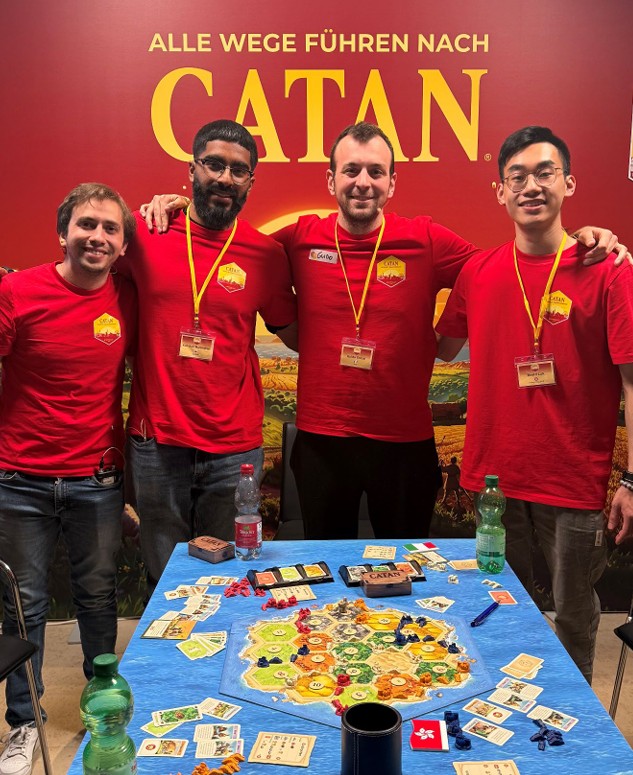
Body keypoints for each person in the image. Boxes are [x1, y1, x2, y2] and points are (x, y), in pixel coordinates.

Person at [144, 122, 627, 542]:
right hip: (321, 443)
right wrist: (181, 205)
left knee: (405, 570)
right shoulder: (299, 238)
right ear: (331, 179)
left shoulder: (425, 238)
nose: (363, 182)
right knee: (327, 570)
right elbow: (230, 246)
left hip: (404, 445)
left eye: (376, 172)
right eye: (351, 170)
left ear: (392, 183)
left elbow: (511, 262)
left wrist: (579, 239)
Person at [436, 126, 633, 682]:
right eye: (516, 176)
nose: (531, 186)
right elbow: (441, 347)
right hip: (494, 482)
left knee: (573, 617)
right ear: (499, 191)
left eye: (545, 173)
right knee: (499, 608)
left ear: (568, 183)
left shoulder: (609, 269)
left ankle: (571, 715)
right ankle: (504, 700)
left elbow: (631, 382)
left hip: (572, 480)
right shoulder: (477, 272)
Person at [119, 120, 296, 593]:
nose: (225, 178)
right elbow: (87, 277)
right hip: (158, 440)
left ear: (251, 181)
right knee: (164, 579)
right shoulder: (145, 232)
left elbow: (296, 332)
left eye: (238, 170)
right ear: (191, 169)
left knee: (229, 576)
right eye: (214, 164)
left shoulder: (266, 255)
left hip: (234, 447)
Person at [0, 183, 136, 775]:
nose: (96, 237)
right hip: (19, 478)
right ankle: (24, 724)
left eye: (110, 228)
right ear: (63, 232)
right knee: (23, 605)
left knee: (98, 598)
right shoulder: (17, 290)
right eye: (86, 224)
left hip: (96, 480)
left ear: (123, 244)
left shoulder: (128, 297)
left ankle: (102, 708)